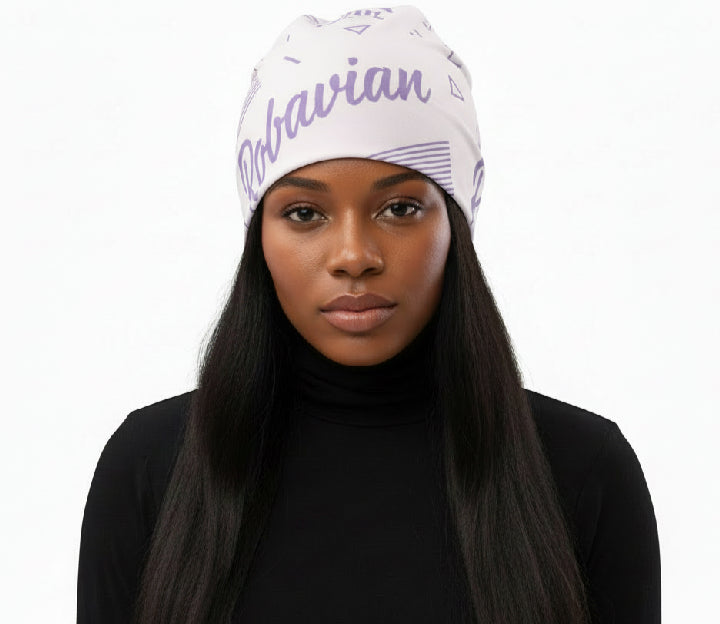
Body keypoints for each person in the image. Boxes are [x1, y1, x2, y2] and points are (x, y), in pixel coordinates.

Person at [76, 6, 661, 624]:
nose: (354, 256)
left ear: (454, 226)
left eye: (400, 208)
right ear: (259, 236)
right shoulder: (150, 469)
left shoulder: (584, 471)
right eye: (305, 213)